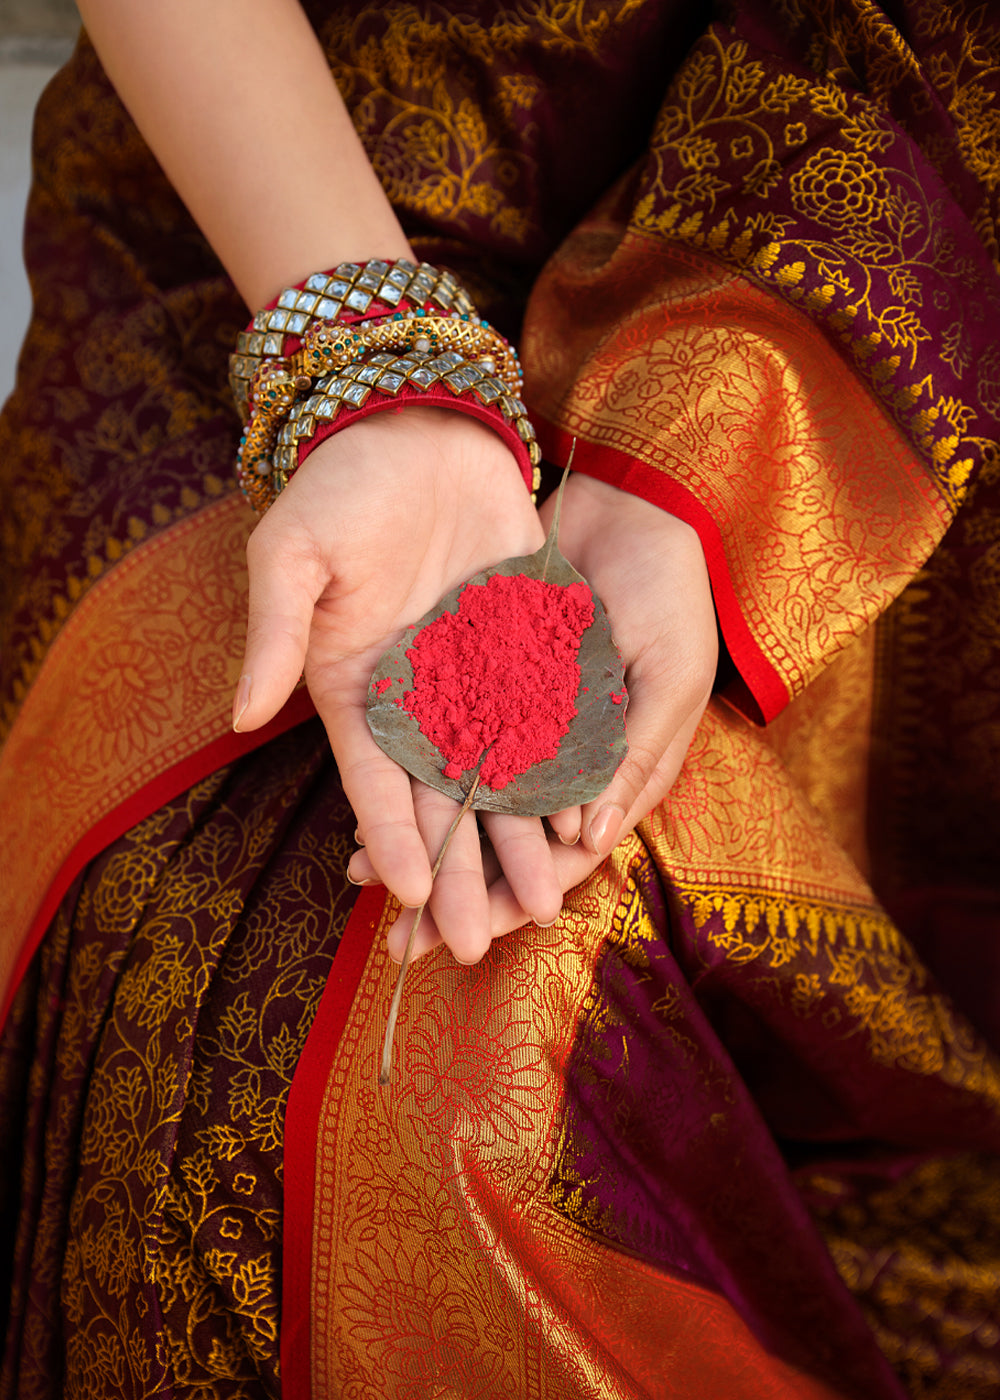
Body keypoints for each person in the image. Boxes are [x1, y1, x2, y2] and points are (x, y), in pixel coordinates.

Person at [2, 0, 999, 1396]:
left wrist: (696, 454)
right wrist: (374, 383)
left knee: (539, 1047)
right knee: (287, 1044)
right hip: (278, 195)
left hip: (823, 232)